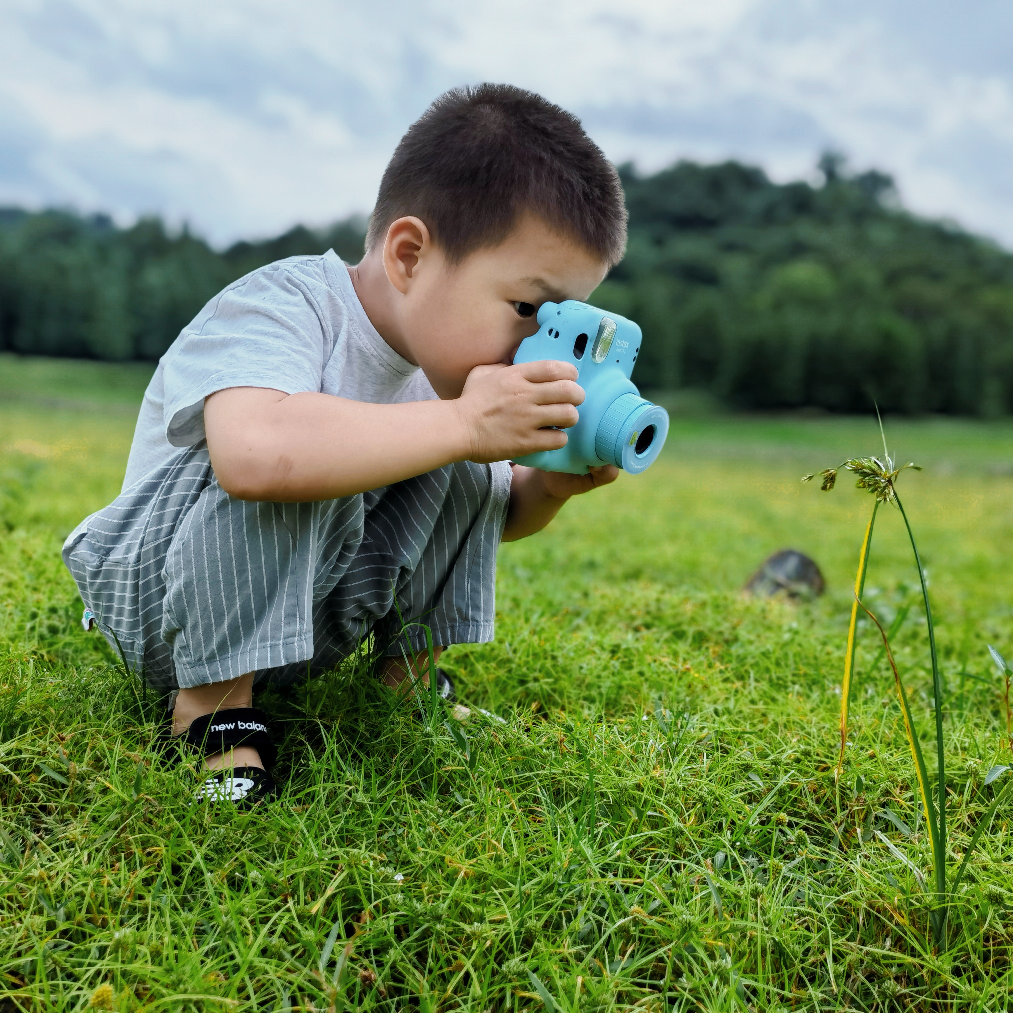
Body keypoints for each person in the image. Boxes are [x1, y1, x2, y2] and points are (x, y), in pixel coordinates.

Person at [63, 83, 627, 805]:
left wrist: (547, 485)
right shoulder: (283, 303)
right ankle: (210, 713)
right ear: (409, 256)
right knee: (315, 448)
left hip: (297, 620)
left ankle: (407, 684)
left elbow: (493, 518)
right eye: (525, 308)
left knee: (465, 467)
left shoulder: (443, 379)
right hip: (153, 604)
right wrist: (463, 426)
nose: (534, 342)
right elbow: (254, 453)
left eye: (560, 320)